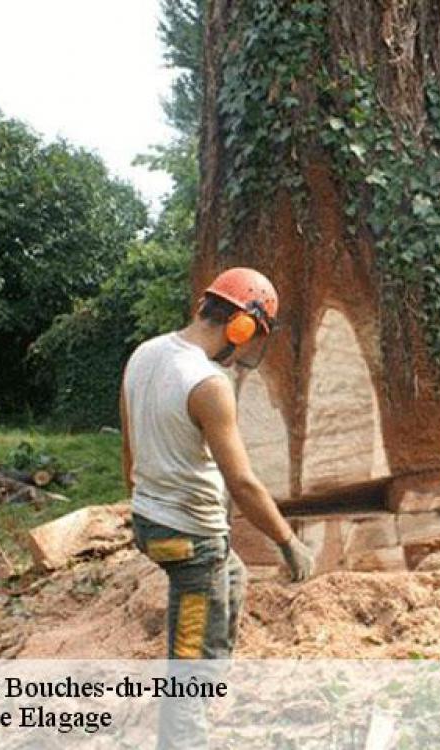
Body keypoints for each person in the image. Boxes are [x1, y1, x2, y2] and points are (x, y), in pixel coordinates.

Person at [120, 266, 314, 659]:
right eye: (250, 339)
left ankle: (210, 675)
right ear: (241, 327)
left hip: (148, 522)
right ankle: (190, 709)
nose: (243, 350)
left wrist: (144, 506)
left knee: (232, 574)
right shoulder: (208, 384)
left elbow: (129, 445)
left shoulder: (144, 353)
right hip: (190, 541)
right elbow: (241, 482)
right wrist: (288, 542)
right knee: (192, 658)